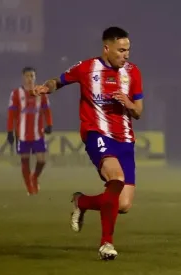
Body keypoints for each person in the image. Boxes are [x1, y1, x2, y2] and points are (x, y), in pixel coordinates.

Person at [31, 26, 143, 260]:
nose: (126, 55)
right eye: (121, 50)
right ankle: (106, 244)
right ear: (106, 48)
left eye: (128, 50)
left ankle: (81, 201)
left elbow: (139, 112)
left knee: (123, 205)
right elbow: (58, 81)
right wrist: (46, 88)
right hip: (97, 134)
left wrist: (128, 104)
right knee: (117, 179)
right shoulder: (86, 68)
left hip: (125, 140)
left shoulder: (133, 73)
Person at [7, 67, 53, 195]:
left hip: (38, 133)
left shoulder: (41, 92)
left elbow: (46, 110)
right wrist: (10, 132)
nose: (29, 79)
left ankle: (34, 177)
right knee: (25, 160)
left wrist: (49, 124)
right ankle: (29, 187)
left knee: (42, 160)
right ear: (23, 78)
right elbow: (12, 114)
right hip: (22, 134)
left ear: (35, 77)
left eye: (32, 76)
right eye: (27, 76)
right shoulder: (16, 94)